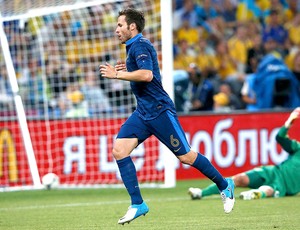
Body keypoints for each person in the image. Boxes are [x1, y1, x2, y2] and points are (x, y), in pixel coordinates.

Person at [99, 8, 235, 225]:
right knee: (119, 150)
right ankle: (137, 204)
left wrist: (118, 74)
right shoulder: (133, 48)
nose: (116, 30)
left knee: (186, 157)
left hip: (160, 111)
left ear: (131, 26)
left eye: (120, 25)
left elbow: (147, 75)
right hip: (143, 112)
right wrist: (129, 69)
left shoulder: (141, 45)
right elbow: (143, 71)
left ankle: (224, 184)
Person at [188, 107, 300, 200]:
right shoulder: (298, 148)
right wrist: (290, 121)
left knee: (269, 189)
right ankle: (201, 193)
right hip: (273, 172)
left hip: (287, 186)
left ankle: (255, 194)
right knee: (239, 178)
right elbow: (280, 137)